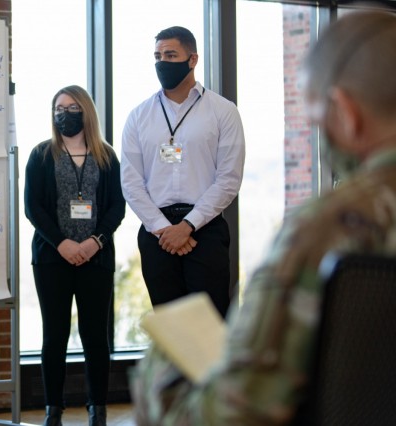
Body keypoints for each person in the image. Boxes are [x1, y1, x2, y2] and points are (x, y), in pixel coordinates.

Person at [130, 10, 396, 426]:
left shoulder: (325, 230)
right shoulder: (139, 116)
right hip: (158, 231)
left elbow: (234, 411)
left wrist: (155, 377)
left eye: (314, 114)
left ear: (345, 112)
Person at [120, 26, 246, 317]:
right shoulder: (139, 116)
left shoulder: (223, 111)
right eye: (157, 55)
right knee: (171, 331)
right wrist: (166, 230)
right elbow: (131, 182)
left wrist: (187, 226)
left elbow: (228, 179)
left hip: (205, 230)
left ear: (192, 59)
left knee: (211, 325)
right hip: (156, 234)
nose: (162, 61)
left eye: (171, 54)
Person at [24, 85, 125, 426]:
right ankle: (54, 409)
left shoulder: (107, 156)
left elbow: (116, 207)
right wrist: (62, 244)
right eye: (58, 108)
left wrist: (95, 242)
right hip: (53, 259)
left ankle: (98, 408)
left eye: (71, 107)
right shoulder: (41, 155)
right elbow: (33, 207)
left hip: (96, 257)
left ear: (86, 111)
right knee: (55, 335)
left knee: (96, 335)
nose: (64, 114)